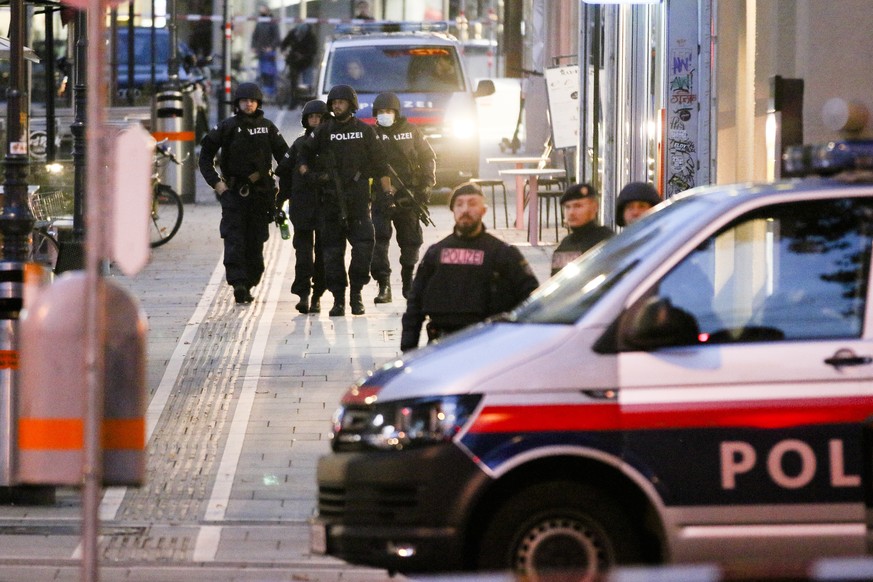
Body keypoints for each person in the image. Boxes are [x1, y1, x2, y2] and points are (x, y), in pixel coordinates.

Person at [400, 183, 540, 352]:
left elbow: (532, 298)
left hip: (489, 345)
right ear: (453, 210)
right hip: (443, 344)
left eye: (472, 203)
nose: (465, 209)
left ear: (484, 210)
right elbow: (415, 304)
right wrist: (408, 348)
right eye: (459, 204)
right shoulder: (436, 253)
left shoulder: (503, 253)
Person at [297, 84, 393, 317]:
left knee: (363, 250)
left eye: (341, 102)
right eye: (334, 102)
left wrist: (387, 194)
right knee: (331, 255)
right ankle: (338, 300)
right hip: (330, 204)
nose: (336, 105)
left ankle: (356, 294)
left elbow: (381, 164)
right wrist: (311, 175)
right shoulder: (324, 130)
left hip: (358, 204)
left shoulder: (364, 131)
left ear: (351, 104)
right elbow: (304, 154)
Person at [198, 82, 288, 304]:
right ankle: (238, 284)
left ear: (258, 103)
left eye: (252, 100)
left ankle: (249, 282)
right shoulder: (227, 127)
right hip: (234, 195)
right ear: (237, 103)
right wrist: (218, 185)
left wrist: (280, 184)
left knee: (255, 244)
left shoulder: (268, 127)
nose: (249, 104)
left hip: (261, 196)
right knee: (234, 240)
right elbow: (205, 156)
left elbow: (285, 157)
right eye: (244, 100)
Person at [370, 92, 436, 304]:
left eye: (388, 111)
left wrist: (426, 186)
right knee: (379, 241)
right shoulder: (371, 133)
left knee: (411, 240)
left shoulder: (412, 131)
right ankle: (384, 286)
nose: (384, 115)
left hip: (409, 195)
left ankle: (408, 282)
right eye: (380, 112)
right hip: (381, 196)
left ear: (396, 113)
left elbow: (428, 158)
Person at [275, 99, 327, 314]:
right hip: (302, 206)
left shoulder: (331, 144)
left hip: (326, 206)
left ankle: (318, 295)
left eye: (319, 118)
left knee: (324, 255)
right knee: (303, 254)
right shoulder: (298, 145)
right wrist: (279, 202)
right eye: (311, 117)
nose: (315, 121)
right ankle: (304, 294)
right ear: (306, 120)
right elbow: (284, 174)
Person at [550, 183, 614, 276]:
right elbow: (555, 282)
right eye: (567, 207)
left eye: (578, 206)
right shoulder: (565, 245)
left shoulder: (606, 241)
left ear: (594, 207)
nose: (571, 212)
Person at [280, 22, 318, 110]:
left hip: (307, 62)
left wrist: (303, 55)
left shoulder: (310, 37)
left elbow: (313, 51)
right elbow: (284, 43)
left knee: (307, 84)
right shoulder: (292, 33)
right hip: (294, 61)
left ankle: (306, 103)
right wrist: (284, 51)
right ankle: (293, 101)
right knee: (293, 83)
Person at [251, 4, 280, 99]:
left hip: (269, 53)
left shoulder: (272, 22)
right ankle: (264, 92)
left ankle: (271, 93)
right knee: (262, 73)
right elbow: (255, 36)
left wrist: (271, 47)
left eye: (263, 10)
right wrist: (254, 46)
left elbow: (277, 37)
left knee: (270, 74)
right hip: (261, 52)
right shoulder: (259, 23)